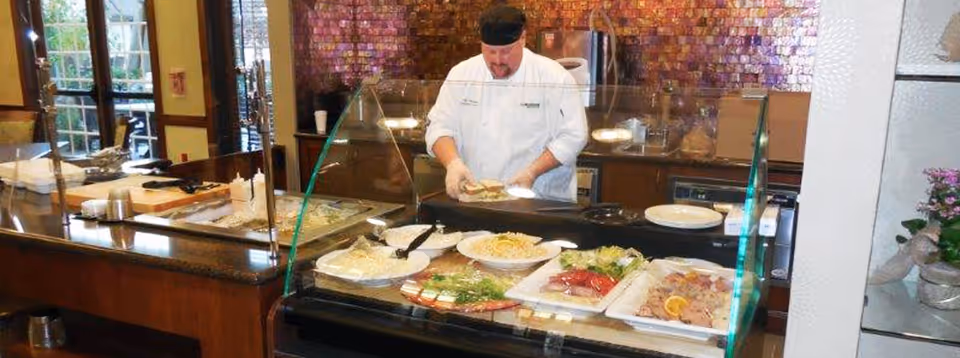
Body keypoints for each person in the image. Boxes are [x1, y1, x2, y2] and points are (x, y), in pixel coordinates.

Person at [425, 5, 588, 202]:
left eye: (506, 52)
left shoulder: (553, 77)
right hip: (478, 201)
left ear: (523, 39)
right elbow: (439, 126)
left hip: (540, 202)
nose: (498, 60)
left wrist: (532, 172)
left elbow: (574, 136)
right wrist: (453, 163)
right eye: (490, 52)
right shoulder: (462, 74)